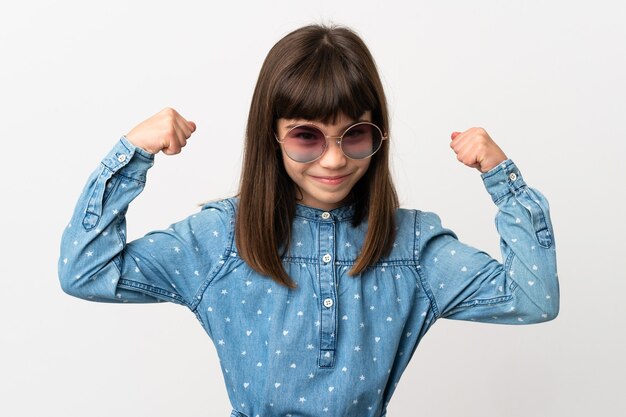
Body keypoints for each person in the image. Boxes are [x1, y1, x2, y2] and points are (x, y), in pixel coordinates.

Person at [58, 24, 559, 417]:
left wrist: (503, 179)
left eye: (355, 135)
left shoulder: (409, 245)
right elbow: (86, 272)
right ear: (271, 136)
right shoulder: (221, 239)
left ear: (378, 134)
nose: (334, 159)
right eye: (307, 136)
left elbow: (532, 299)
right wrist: (130, 155)